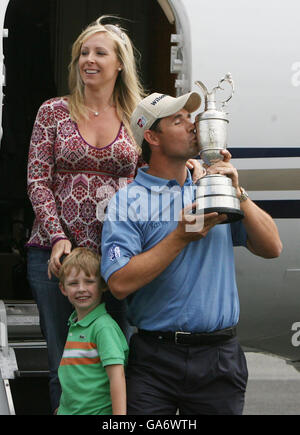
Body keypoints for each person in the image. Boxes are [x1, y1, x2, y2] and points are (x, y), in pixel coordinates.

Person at [26, 15, 203, 413]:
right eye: (83, 53)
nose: (89, 59)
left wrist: (190, 166)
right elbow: (38, 180)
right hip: (58, 258)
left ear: (119, 63)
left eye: (99, 53)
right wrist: (58, 237)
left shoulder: (134, 117)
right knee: (64, 365)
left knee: (117, 360)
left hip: (117, 255)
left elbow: (155, 163)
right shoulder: (53, 112)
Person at [100, 92, 283, 415]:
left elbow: (272, 247)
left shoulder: (212, 187)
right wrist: (180, 238)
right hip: (154, 362)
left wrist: (237, 193)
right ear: (152, 137)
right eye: (178, 120)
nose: (193, 126)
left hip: (218, 359)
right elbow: (119, 282)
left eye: (191, 117)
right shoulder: (127, 201)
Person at [56, 247, 128, 415]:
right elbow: (77, 378)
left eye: (89, 282)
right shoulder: (75, 324)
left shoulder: (103, 327)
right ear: (63, 288)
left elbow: (117, 378)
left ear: (102, 285)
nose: (81, 289)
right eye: (73, 283)